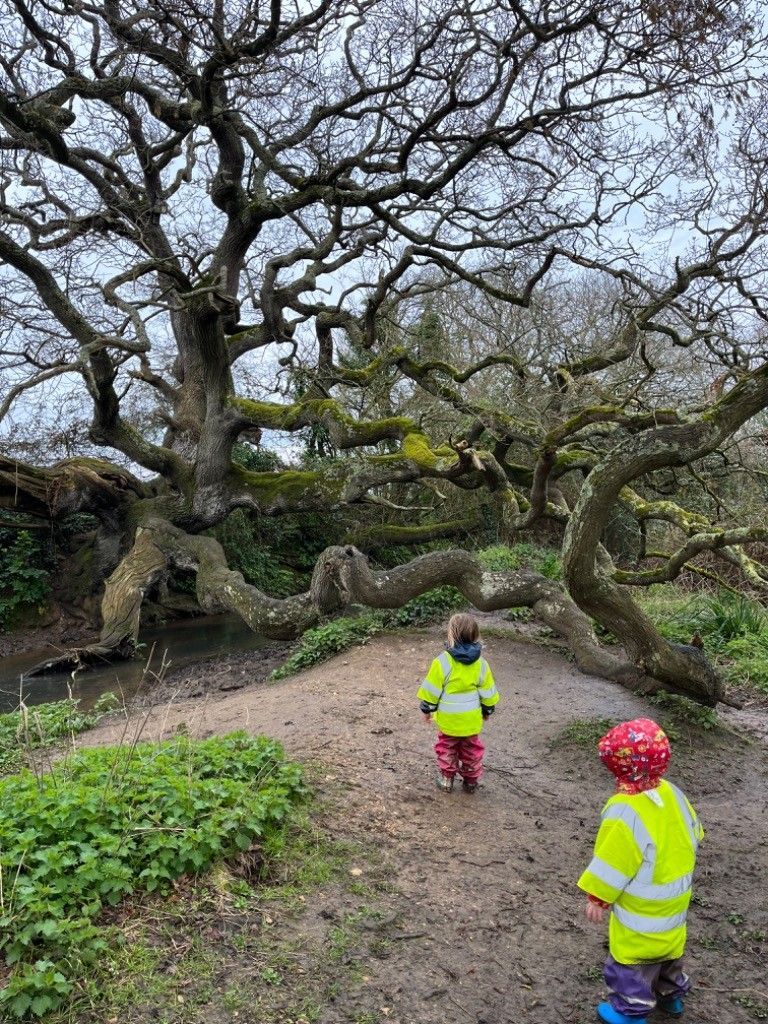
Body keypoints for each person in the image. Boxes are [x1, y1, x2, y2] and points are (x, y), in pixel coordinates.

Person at [578, 718, 704, 1024]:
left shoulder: (625, 810)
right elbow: (696, 833)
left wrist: (599, 897)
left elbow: (613, 862)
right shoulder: (673, 793)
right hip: (675, 901)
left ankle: (630, 1012)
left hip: (641, 909)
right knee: (669, 952)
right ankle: (671, 999)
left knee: (632, 962)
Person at [416, 612, 500, 793]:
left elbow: (432, 690)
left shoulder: (442, 662)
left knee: (446, 747)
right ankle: (471, 782)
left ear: (451, 634)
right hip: (471, 720)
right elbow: (488, 691)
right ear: (475, 635)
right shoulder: (481, 664)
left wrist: (427, 710)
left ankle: (447, 780)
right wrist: (488, 710)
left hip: (448, 720)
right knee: (471, 750)